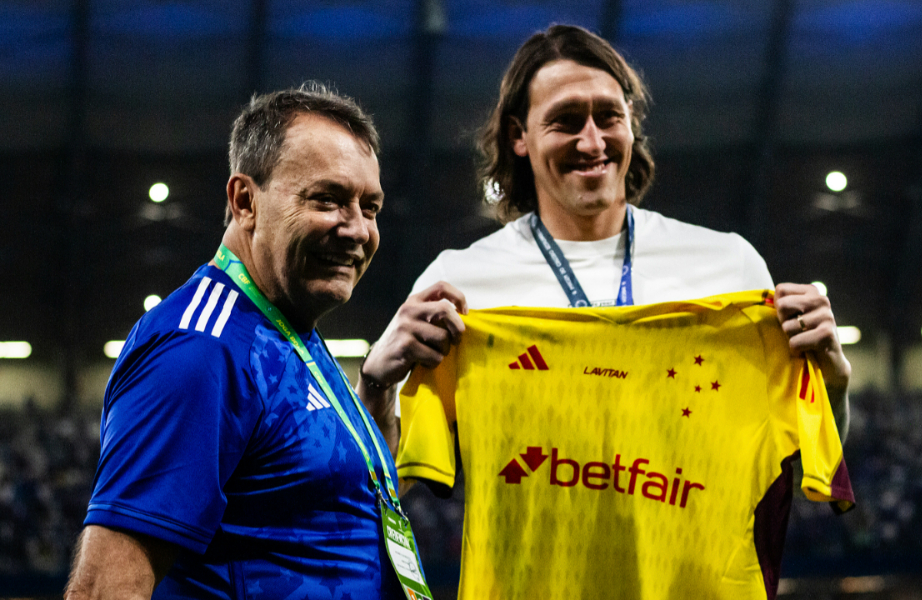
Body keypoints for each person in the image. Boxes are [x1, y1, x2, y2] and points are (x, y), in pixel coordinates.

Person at [358, 24, 850, 463]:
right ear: (519, 135)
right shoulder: (459, 285)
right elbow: (392, 484)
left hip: (694, 569)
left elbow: (801, 462)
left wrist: (832, 385)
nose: (592, 143)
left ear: (632, 121)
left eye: (608, 117)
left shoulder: (728, 265)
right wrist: (376, 384)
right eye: (566, 120)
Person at [65, 83, 421, 600]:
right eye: (328, 199)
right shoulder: (201, 348)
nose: (358, 230)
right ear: (245, 200)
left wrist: (377, 388)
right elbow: (107, 585)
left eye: (371, 207)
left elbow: (340, 498)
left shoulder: (290, 330)